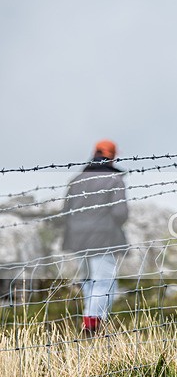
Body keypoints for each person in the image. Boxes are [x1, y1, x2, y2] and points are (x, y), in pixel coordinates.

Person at [62, 140, 128, 336]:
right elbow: (120, 213)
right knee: (104, 282)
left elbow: (65, 211)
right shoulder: (114, 180)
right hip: (103, 238)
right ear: (113, 155)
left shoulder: (77, 179)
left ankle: (89, 320)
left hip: (76, 239)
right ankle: (93, 325)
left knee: (88, 281)